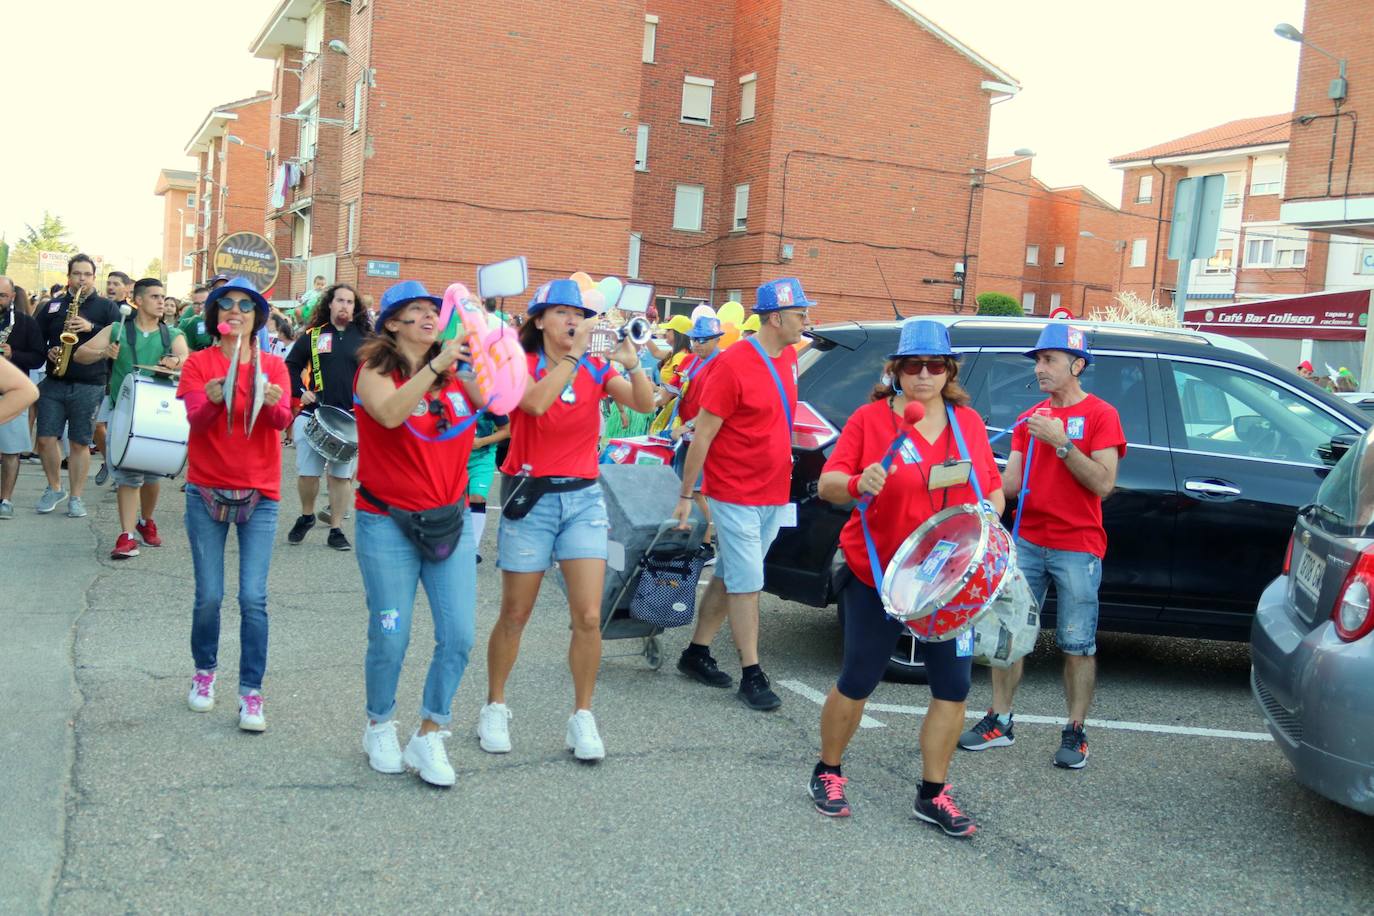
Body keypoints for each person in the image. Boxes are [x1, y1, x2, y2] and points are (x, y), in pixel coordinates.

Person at [808, 318, 1001, 834]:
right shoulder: (872, 421)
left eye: (934, 365)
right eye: (912, 366)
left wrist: (986, 522)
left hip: (947, 581)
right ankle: (828, 771)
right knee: (859, 678)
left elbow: (992, 491)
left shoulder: (968, 424)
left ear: (948, 371)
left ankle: (932, 794)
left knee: (954, 688)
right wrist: (856, 482)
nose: (923, 375)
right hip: (879, 573)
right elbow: (828, 485)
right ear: (894, 370)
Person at [476, 279, 655, 761]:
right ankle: (495, 704)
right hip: (532, 497)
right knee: (516, 613)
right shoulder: (521, 364)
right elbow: (533, 403)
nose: (572, 321)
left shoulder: (596, 365)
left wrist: (632, 361)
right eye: (560, 313)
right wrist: (576, 358)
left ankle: (582, 715)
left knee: (590, 615)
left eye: (579, 313)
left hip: (582, 498)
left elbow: (645, 403)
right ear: (538, 321)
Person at [959, 324, 1125, 770]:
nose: (1040, 368)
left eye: (1049, 360)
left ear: (1077, 364)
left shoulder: (1101, 415)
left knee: (1077, 643)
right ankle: (1000, 719)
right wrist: (969, 474)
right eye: (1037, 360)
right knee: (1008, 635)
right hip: (1029, 542)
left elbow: (1104, 484)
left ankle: (1075, 730)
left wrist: (1062, 444)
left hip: (1078, 545)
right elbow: (1010, 484)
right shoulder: (1030, 417)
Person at [354, 280, 487, 786]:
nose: (431, 318)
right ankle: (379, 723)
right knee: (391, 634)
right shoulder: (374, 372)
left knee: (459, 635)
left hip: (448, 520)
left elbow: (499, 402)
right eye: (416, 311)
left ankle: (430, 732)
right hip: (386, 521)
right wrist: (437, 365)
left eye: (435, 310)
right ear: (391, 323)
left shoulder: (456, 372)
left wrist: (485, 348)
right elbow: (389, 414)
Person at [671, 277, 811, 710]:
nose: (806, 320)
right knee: (749, 582)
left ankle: (696, 652)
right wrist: (687, 493)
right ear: (775, 317)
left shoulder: (789, 355)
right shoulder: (732, 365)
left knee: (732, 573)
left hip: (772, 490)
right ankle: (752, 672)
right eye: (800, 313)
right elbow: (704, 434)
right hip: (734, 492)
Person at [176, 277, 292, 731]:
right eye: (227, 304)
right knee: (209, 596)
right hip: (205, 488)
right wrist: (209, 400)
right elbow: (196, 422)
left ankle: (251, 693)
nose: (236, 311)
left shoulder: (273, 366)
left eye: (246, 305)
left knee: (252, 597)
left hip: (260, 492)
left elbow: (281, 421)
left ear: (257, 318)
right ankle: (204, 673)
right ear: (216, 316)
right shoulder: (199, 364)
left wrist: (276, 403)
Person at [75, 279, 189, 558]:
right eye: (154, 297)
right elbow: (79, 354)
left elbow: (188, 359)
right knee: (127, 474)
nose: (161, 301)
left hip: (157, 414)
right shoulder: (117, 330)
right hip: (123, 411)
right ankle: (126, 536)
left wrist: (176, 362)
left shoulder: (171, 333)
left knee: (151, 475)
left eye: (163, 296)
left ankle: (145, 520)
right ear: (137, 301)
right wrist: (104, 353)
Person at [33, 254, 120, 518]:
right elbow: (38, 340)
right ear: (69, 276)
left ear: (94, 277)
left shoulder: (107, 307)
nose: (82, 278)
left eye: (87, 274)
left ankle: (76, 497)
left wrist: (90, 326)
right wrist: (48, 350)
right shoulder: (53, 306)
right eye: (77, 274)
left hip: (90, 381)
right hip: (55, 380)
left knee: (80, 442)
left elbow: (118, 336)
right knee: (46, 438)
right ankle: (54, 487)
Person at [284, 283, 368, 550]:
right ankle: (307, 515)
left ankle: (336, 529)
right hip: (314, 413)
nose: (345, 305)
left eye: (350, 302)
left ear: (356, 308)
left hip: (350, 418)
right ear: (329, 304)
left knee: (341, 477)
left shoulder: (366, 338)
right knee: (308, 474)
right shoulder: (313, 335)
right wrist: (301, 391)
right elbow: (291, 366)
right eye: (340, 300)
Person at [671, 314, 726, 531]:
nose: (697, 344)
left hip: (707, 436)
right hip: (683, 436)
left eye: (703, 340)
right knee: (682, 487)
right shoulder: (689, 360)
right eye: (694, 340)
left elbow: (715, 407)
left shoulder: (721, 365)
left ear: (716, 340)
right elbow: (672, 389)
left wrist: (690, 425)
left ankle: (707, 540)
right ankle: (688, 537)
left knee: (696, 491)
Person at [0, 277, 46, 518]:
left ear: (12, 297)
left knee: (10, 452)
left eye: (2, 295)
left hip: (13, 395)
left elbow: (39, 358)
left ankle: (5, 499)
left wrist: (13, 354)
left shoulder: (26, 323)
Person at [467, 407, 510, 564]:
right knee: (456, 500)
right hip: (455, 457)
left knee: (477, 496)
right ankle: (456, 544)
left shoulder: (491, 404)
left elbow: (507, 430)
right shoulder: (455, 397)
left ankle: (473, 548)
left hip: (482, 458)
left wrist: (481, 442)